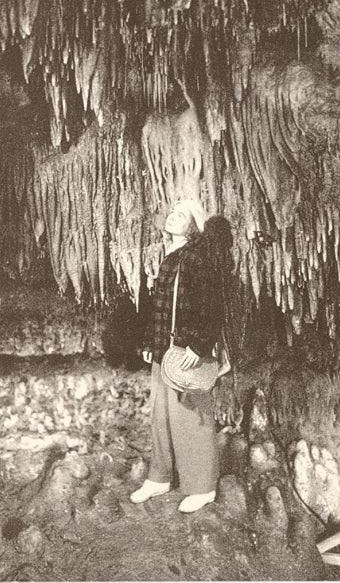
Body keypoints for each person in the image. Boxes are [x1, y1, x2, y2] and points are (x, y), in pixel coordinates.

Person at [130, 199, 219, 513]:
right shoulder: (169, 256)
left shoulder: (197, 257)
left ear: (193, 226)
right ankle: (160, 476)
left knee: (191, 418)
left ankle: (202, 486)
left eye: (181, 215)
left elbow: (211, 303)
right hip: (163, 350)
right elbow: (160, 309)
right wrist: (150, 343)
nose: (172, 216)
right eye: (171, 211)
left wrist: (198, 345)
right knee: (160, 416)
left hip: (185, 351)